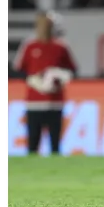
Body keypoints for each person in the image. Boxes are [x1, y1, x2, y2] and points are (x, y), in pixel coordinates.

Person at [12, 11, 77, 155]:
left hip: (55, 102)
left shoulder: (61, 46)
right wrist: (32, 80)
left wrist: (60, 77)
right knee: (33, 143)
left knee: (55, 144)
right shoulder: (29, 46)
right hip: (34, 102)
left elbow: (72, 70)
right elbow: (18, 70)